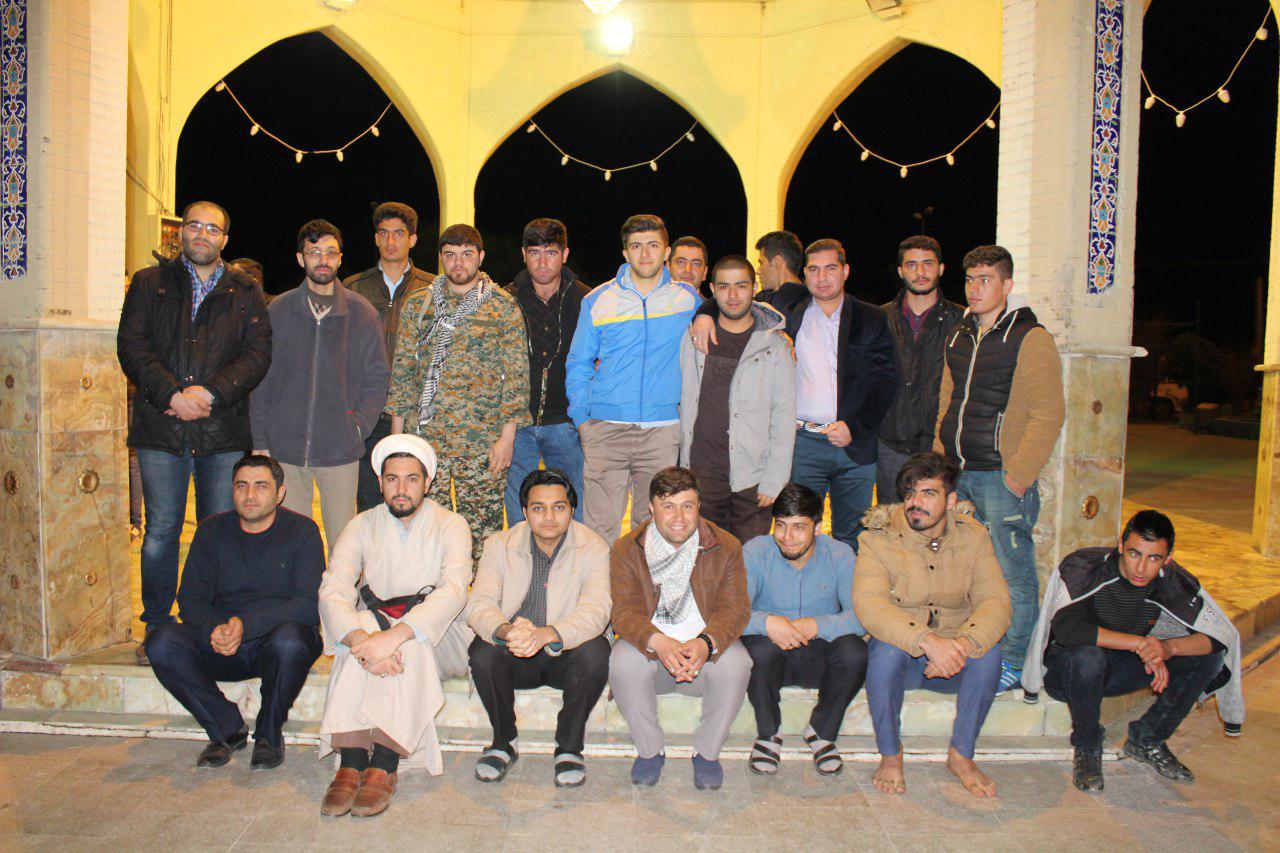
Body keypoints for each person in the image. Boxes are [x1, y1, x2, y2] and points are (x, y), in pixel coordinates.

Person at [117, 200, 271, 665]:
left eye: (213, 229)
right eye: (195, 226)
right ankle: (158, 627)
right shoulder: (150, 283)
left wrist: (209, 394)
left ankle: (212, 625)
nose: (203, 234)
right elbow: (132, 346)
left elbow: (256, 355)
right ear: (181, 232)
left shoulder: (245, 290)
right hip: (161, 428)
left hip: (221, 432)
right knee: (161, 531)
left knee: (218, 532)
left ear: (225, 238)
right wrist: (172, 394)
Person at [1023, 510, 1243, 792]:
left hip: (1121, 668)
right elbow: (1068, 631)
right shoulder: (1087, 567)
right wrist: (1140, 644)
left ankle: (1148, 739)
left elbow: (1219, 638)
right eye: (1134, 554)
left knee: (1209, 656)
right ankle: (1088, 747)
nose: (1141, 568)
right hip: (1069, 672)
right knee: (1087, 656)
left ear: (1168, 558)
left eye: (1153, 558)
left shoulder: (1172, 581)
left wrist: (1167, 648)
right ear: (1120, 546)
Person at [317, 434, 474, 818]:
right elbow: (334, 587)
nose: (401, 489)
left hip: (442, 636)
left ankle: (384, 763)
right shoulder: (361, 524)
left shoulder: (451, 524)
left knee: (411, 640)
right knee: (352, 630)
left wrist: (394, 637)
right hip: (375, 627)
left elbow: (454, 591)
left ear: (427, 482)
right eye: (392, 479)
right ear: (380, 482)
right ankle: (352, 762)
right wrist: (360, 641)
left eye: (411, 479)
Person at [934, 245, 1065, 691]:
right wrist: (940, 463)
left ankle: (1014, 661)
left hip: (999, 479)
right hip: (959, 473)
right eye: (971, 280)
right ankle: (969, 649)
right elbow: (947, 400)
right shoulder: (960, 334)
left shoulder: (1030, 337)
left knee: (1013, 576)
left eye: (985, 279)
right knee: (964, 571)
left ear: (1007, 285)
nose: (975, 288)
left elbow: (1049, 412)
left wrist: (1018, 476)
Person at [145, 455, 324, 770]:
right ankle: (226, 728)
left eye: (261, 486)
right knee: (161, 642)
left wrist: (247, 625)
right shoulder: (212, 530)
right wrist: (214, 628)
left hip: (274, 646)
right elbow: (190, 598)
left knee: (292, 640)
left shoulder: (302, 531)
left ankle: (269, 733)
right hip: (223, 642)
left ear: (280, 493)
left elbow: (309, 605)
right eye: (242, 486)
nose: (250, 495)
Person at [854, 452, 1011, 798]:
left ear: (951, 500)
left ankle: (961, 755)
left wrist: (962, 645)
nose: (916, 503)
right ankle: (890, 755)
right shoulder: (877, 538)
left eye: (928, 493)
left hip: (954, 655)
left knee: (988, 654)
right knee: (883, 653)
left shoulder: (974, 537)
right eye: (910, 493)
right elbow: (871, 607)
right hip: (905, 653)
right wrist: (927, 641)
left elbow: (995, 600)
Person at [386, 223, 529, 564]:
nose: (458, 263)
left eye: (467, 255)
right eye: (450, 255)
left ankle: (482, 593)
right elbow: (403, 373)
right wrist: (398, 441)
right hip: (427, 439)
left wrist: (507, 439)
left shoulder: (502, 306)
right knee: (429, 529)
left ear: (480, 257)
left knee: (483, 534)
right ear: (441, 258)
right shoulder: (419, 305)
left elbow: (516, 376)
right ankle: (435, 592)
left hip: (482, 441)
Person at [608, 467, 751, 791]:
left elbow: (735, 609)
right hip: (654, 654)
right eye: (668, 506)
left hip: (703, 657)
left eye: (687, 506)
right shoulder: (627, 549)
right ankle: (650, 751)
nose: (678, 518)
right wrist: (659, 642)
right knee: (622, 660)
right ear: (651, 508)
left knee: (738, 662)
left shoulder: (726, 546)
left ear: (699, 506)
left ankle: (707, 754)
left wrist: (705, 643)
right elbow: (624, 612)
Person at [467, 468, 612, 787]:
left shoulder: (594, 547)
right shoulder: (499, 545)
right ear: (524, 511)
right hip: (516, 652)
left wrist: (548, 634)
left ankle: (569, 748)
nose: (548, 517)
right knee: (482, 653)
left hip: (565, 653)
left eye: (558, 507)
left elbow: (597, 610)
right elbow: (479, 604)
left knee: (596, 652)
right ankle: (503, 742)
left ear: (571, 510)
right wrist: (506, 631)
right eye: (538, 508)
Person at [250, 219, 389, 551]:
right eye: (314, 253)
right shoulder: (279, 310)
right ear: (301, 258)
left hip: (340, 449)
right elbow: (262, 378)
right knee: (291, 540)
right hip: (285, 447)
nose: (323, 260)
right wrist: (261, 441)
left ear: (340, 258)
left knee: (344, 542)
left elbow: (377, 376)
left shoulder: (361, 313)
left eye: (330, 252)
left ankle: (342, 588)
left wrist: (357, 427)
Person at [565, 215, 701, 544]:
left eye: (653, 245)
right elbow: (578, 362)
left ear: (666, 252)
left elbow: (730, 318)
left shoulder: (688, 300)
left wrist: (779, 334)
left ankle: (644, 580)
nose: (645, 253)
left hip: (661, 431)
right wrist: (582, 419)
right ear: (625, 253)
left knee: (653, 528)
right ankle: (600, 582)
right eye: (636, 246)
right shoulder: (598, 300)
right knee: (599, 529)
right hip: (604, 429)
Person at [741, 483, 867, 776]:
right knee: (756, 649)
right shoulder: (755, 551)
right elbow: (734, 613)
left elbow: (860, 617)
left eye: (799, 527)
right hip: (770, 654)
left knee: (855, 652)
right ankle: (769, 734)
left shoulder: (840, 554)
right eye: (781, 525)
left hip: (819, 652)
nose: (787, 537)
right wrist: (768, 622)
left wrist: (816, 625)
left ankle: (822, 732)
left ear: (818, 528)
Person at [787, 239, 897, 550]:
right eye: (813, 269)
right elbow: (735, 303)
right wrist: (705, 313)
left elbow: (885, 382)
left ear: (845, 271)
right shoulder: (790, 315)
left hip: (854, 447)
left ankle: (846, 585)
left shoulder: (871, 317)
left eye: (830, 268)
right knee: (800, 531)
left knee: (851, 537)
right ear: (804, 274)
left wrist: (855, 427)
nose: (821, 277)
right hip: (804, 445)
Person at [678, 255, 794, 543]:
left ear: (754, 288)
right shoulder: (693, 338)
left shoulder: (775, 346)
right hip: (702, 473)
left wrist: (775, 479)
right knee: (705, 558)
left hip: (752, 477)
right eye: (724, 287)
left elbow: (784, 417)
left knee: (748, 559)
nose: (732, 296)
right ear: (712, 290)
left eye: (741, 286)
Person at [345, 202, 435, 513]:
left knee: (418, 501)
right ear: (375, 238)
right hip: (367, 412)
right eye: (384, 233)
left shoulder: (433, 289)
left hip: (418, 414)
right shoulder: (353, 289)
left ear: (413, 239)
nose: (391, 241)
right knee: (369, 502)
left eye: (399, 234)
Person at [504, 218, 590, 527]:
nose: (542, 262)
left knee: (574, 506)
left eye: (551, 252)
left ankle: (573, 559)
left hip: (566, 423)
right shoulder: (506, 299)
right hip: (517, 424)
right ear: (523, 254)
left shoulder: (585, 300)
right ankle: (521, 557)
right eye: (535, 252)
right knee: (519, 508)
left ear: (565, 254)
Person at [876, 235, 964, 504]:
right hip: (890, 445)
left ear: (941, 268)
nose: (920, 272)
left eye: (928, 263)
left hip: (940, 446)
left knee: (938, 521)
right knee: (892, 521)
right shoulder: (879, 318)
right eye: (912, 265)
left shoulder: (962, 321)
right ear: (900, 271)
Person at [752, 230, 807, 309]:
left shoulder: (809, 304)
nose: (757, 271)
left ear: (777, 261)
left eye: (761, 263)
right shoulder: (812, 300)